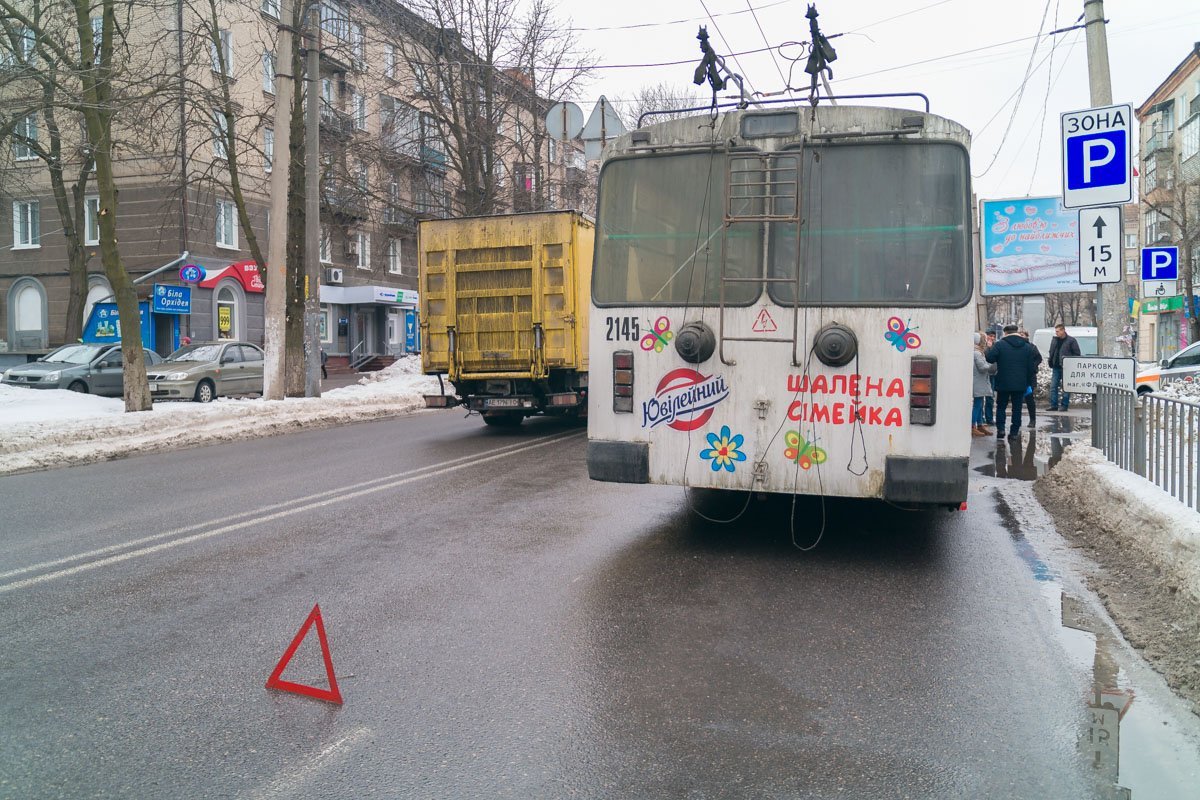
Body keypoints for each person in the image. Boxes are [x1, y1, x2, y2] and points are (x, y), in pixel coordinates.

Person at [986, 323, 1040, 441]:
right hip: (1020, 383)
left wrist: (990, 347)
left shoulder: (1000, 345)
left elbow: (990, 358)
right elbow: (1031, 367)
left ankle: (1001, 429)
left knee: (1001, 406)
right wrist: (1027, 381)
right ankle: (1014, 432)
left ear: (1005, 333)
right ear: (1016, 332)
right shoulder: (1027, 346)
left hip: (1003, 382)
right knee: (1017, 408)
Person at [1047, 323, 1080, 411]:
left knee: (1066, 387)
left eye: (1058, 331)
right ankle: (1054, 405)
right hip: (1056, 366)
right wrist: (1050, 361)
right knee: (1053, 386)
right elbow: (1051, 352)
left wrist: (1070, 363)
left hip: (1066, 368)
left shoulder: (1071, 341)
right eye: (1056, 331)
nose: (1056, 333)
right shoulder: (1055, 340)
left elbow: (1077, 354)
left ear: (1063, 330)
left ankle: (1064, 405)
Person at [972, 331, 996, 437]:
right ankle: (972, 426)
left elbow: (984, 364)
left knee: (980, 403)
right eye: (984, 340)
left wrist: (991, 366)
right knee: (977, 405)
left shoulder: (978, 352)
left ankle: (980, 425)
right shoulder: (976, 353)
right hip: (978, 382)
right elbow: (982, 367)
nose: (986, 342)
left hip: (980, 381)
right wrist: (993, 366)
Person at [1018, 329, 1041, 426]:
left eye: (1022, 335)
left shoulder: (1032, 347)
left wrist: (1032, 367)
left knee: (1029, 399)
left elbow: (1039, 358)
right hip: (1018, 376)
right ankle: (1017, 420)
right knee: (1017, 400)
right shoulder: (1016, 347)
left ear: (1027, 336)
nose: (1021, 336)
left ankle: (1032, 420)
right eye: (1019, 335)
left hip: (1029, 377)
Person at [984, 331, 997, 425]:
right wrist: (988, 348)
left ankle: (989, 418)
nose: (992, 338)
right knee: (980, 398)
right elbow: (987, 358)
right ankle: (982, 418)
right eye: (990, 336)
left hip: (992, 374)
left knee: (990, 397)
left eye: (993, 336)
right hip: (984, 374)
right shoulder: (983, 346)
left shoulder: (996, 346)